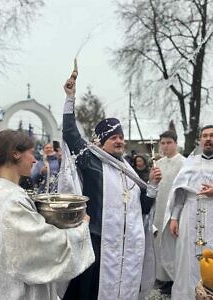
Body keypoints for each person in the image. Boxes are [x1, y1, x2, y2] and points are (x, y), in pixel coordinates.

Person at [61, 77, 162, 300]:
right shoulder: (91, 161)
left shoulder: (129, 170)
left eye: (121, 137)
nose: (119, 141)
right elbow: (70, 133)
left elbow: (143, 209)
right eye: (114, 137)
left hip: (125, 251)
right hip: (97, 244)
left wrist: (153, 185)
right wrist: (70, 98)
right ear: (103, 141)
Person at [0, 129, 94, 300]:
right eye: (30, 153)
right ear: (16, 154)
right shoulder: (12, 200)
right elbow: (41, 248)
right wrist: (81, 229)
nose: (34, 159)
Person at [161, 125, 213, 300]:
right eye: (205, 136)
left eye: (212, 136)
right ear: (200, 140)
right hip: (190, 213)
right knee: (187, 259)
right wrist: (174, 217)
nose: (208, 139)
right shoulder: (191, 162)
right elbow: (180, 191)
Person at [153, 130, 185, 294]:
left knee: (173, 246)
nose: (165, 146)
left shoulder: (183, 163)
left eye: (168, 142)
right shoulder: (158, 163)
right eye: (163, 143)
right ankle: (162, 278)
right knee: (159, 244)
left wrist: (177, 215)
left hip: (175, 211)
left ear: (175, 143)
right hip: (159, 209)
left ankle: (174, 279)